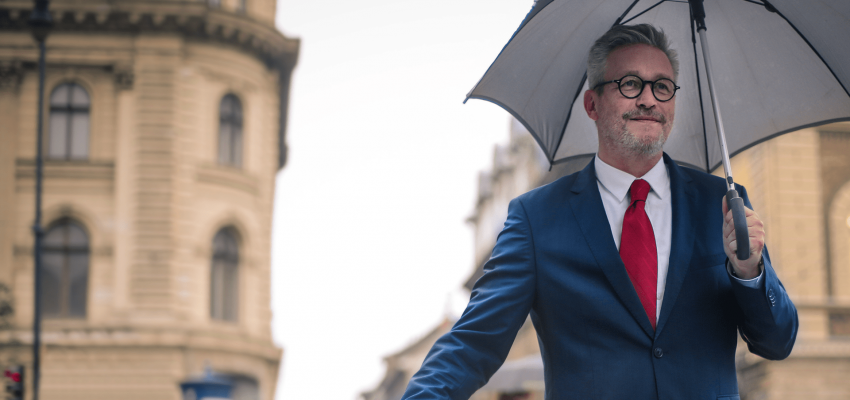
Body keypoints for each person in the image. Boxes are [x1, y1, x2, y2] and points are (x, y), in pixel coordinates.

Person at [401, 24, 798, 400]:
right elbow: (473, 343)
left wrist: (749, 272)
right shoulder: (536, 218)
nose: (648, 99)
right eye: (630, 84)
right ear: (592, 103)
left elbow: (777, 342)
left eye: (662, 87)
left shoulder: (723, 203)